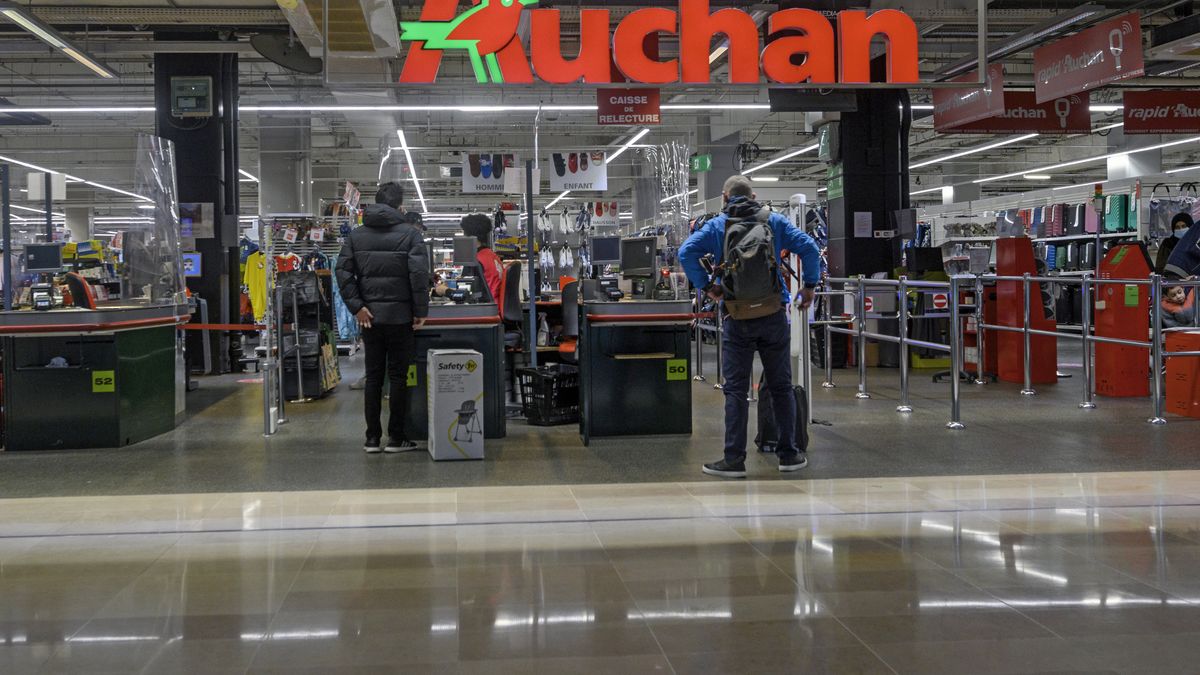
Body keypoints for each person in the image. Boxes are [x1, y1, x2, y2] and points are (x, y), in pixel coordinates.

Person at [679, 175, 821, 479]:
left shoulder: (717, 226)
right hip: (772, 314)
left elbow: (685, 253)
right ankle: (789, 455)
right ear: (753, 196)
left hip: (736, 316)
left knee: (736, 390)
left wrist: (708, 287)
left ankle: (734, 459)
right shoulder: (775, 221)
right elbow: (809, 247)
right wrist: (809, 286)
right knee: (781, 386)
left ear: (725, 197)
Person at [336, 181, 431, 454]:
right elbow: (418, 277)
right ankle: (396, 438)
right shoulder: (411, 235)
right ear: (400, 207)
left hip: (370, 318)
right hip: (401, 318)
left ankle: (372, 439)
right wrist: (420, 311)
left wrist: (357, 307)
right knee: (399, 377)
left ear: (376, 203)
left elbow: (342, 273)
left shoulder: (356, 236)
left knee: (374, 377)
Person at [460, 213, 505, 305]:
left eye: (464, 234)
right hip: (496, 306)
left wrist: (446, 291)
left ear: (471, 236)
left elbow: (464, 293)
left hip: (485, 309)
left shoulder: (474, 261)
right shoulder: (493, 256)